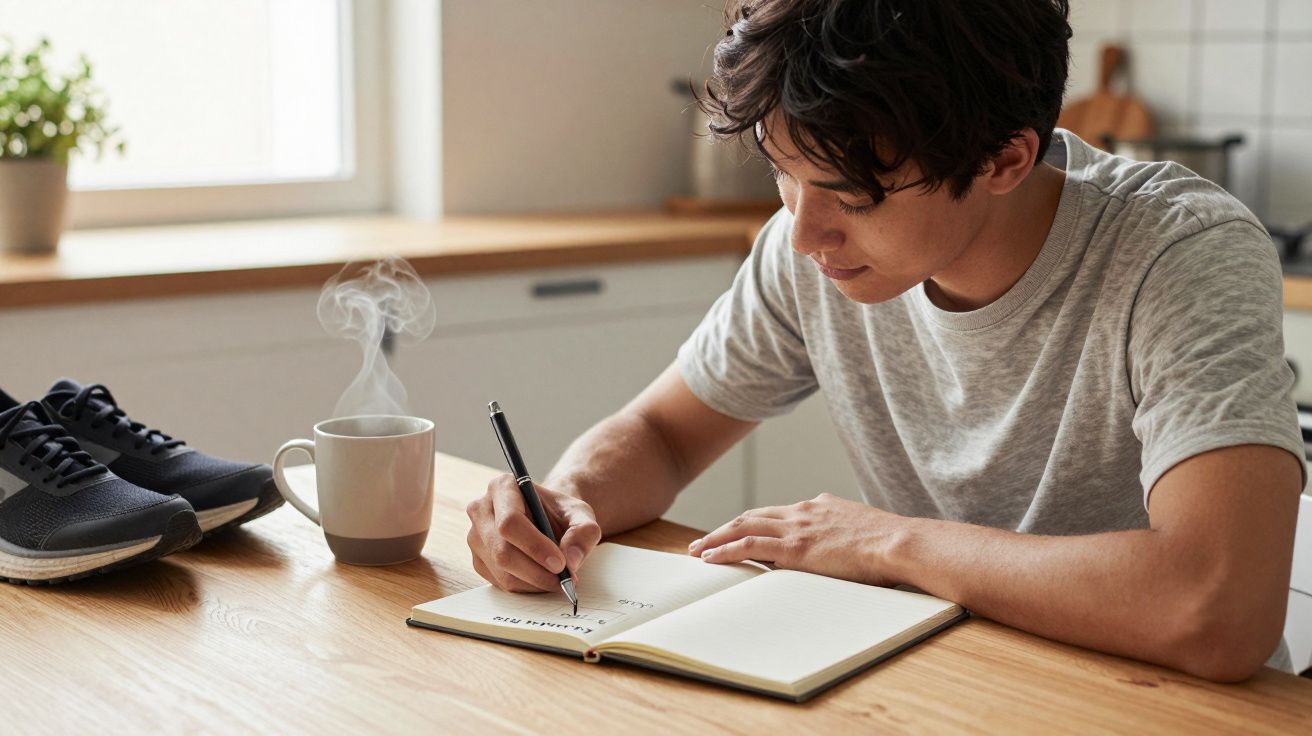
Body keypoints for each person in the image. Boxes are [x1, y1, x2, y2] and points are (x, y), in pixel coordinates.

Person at [465, 0, 1305, 682]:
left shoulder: (1179, 252)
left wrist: (888, 543)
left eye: (851, 197)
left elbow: (1218, 606)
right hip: (941, 675)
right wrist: (566, 503)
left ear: (1006, 158)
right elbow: (662, 434)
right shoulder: (809, 247)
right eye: (781, 171)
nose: (801, 234)